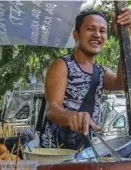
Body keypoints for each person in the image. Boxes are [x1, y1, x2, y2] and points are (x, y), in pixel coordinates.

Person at [40, 7, 131, 150]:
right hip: (56, 151)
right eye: (90, 29)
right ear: (76, 34)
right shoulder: (62, 65)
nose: (97, 35)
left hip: (84, 150)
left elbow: (122, 83)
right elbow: (52, 109)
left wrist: (124, 36)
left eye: (102, 31)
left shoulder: (100, 71)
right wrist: (73, 117)